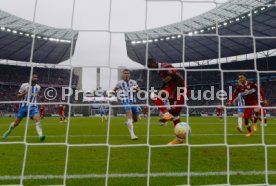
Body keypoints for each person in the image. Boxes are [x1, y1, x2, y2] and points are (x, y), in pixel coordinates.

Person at [147, 58, 188, 144]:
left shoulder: (165, 67)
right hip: (171, 89)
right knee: (153, 95)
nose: (151, 69)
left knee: (175, 113)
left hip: (181, 89)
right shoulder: (160, 71)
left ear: (153, 63)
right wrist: (162, 90)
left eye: (150, 67)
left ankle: (179, 138)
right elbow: (167, 82)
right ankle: (167, 114)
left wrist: (172, 93)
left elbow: (179, 79)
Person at [2, 73, 45, 142]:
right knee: (16, 123)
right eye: (34, 77)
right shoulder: (24, 85)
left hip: (33, 107)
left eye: (36, 77)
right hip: (23, 107)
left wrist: (41, 102)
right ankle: (8, 131)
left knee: (37, 120)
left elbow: (35, 96)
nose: (35, 79)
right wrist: (24, 93)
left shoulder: (38, 87)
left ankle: (41, 135)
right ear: (30, 77)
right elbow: (18, 97)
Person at [112, 69, 140, 140]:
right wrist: (115, 93)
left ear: (129, 74)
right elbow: (114, 90)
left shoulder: (133, 82)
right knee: (129, 113)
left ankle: (129, 122)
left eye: (127, 73)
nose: (126, 74)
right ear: (123, 74)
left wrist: (135, 89)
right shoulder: (119, 83)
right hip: (125, 101)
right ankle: (132, 135)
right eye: (125, 73)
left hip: (133, 102)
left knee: (135, 119)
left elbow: (138, 90)